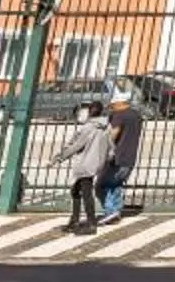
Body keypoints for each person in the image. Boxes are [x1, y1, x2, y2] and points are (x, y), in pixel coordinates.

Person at [98, 84, 146, 223]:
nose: (110, 107)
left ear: (117, 103)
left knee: (103, 184)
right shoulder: (136, 115)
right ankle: (115, 211)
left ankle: (111, 211)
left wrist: (103, 145)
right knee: (116, 184)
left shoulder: (118, 115)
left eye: (112, 105)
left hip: (117, 156)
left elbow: (113, 135)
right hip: (130, 156)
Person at [59, 100, 109, 234]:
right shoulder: (104, 127)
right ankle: (75, 220)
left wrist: (59, 157)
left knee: (86, 194)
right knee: (76, 191)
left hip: (85, 164)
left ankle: (91, 224)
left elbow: (76, 145)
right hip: (94, 163)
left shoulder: (88, 128)